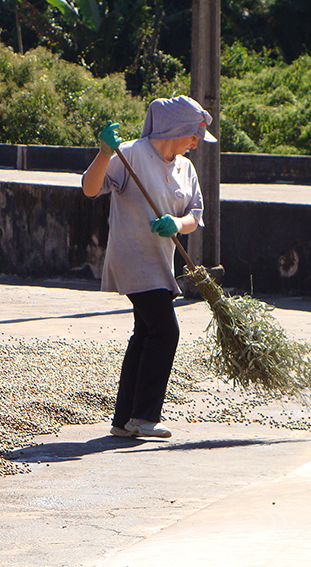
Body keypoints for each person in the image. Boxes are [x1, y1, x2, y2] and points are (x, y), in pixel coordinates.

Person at [82, 95, 217, 439]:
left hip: (161, 263)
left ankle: (124, 420)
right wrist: (104, 153)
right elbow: (90, 188)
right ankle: (144, 417)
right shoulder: (130, 155)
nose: (196, 143)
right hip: (133, 259)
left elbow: (194, 216)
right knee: (165, 331)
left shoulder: (186, 168)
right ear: (178, 129)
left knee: (144, 334)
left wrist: (177, 222)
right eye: (194, 135)